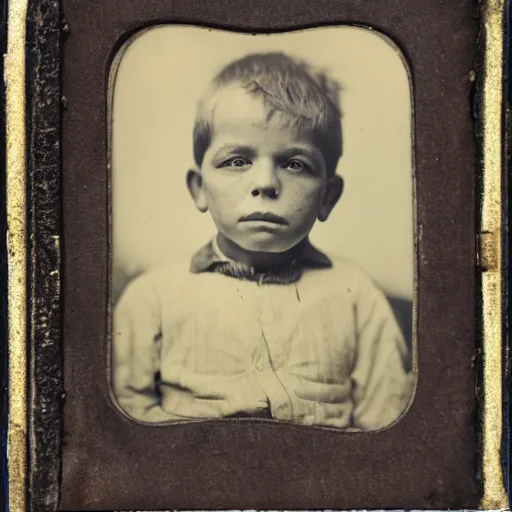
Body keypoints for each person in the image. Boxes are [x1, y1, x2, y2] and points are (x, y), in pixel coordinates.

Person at [112, 52, 413, 430]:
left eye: (295, 163)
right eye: (237, 161)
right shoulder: (152, 298)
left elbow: (386, 422)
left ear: (327, 196)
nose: (266, 183)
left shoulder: (355, 295)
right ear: (199, 188)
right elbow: (124, 423)